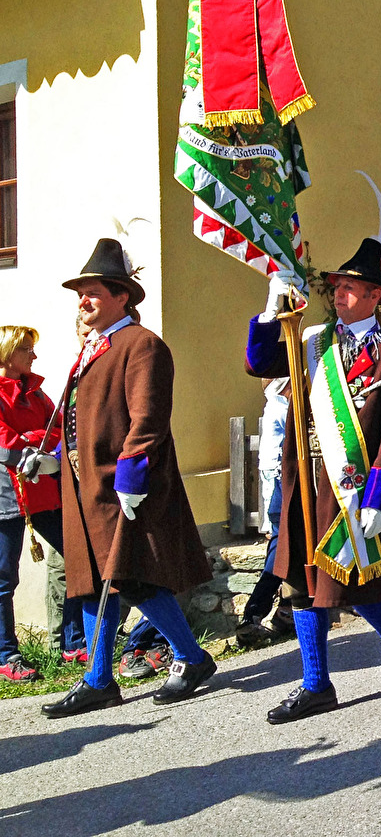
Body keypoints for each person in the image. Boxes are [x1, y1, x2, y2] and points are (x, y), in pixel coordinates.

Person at [245, 236, 381, 724]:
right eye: (337, 287)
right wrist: (269, 312)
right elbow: (259, 363)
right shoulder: (309, 340)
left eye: (350, 288)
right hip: (306, 475)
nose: (340, 294)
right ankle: (316, 683)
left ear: (375, 296)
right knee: (302, 582)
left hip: (350, 482)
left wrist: (380, 497)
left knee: (351, 581)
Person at [43, 238, 216, 718]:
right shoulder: (94, 348)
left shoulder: (142, 345)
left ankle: (190, 656)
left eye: (93, 290)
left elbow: (148, 419)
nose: (83, 300)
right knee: (91, 581)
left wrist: (132, 475)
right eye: (80, 292)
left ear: (122, 295)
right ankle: (100, 679)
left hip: (124, 487)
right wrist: (55, 457)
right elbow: (82, 416)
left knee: (131, 576)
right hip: (87, 486)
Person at [0, 325, 64, 682]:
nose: (34, 355)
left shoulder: (36, 393)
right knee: (3, 578)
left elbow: (59, 432)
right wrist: (35, 442)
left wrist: (33, 439)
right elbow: (5, 446)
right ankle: (6, 656)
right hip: (6, 494)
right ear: (8, 353)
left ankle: (72, 642)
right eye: (27, 349)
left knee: (76, 558)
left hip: (42, 491)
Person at [235, 378, 291, 646]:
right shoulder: (283, 408)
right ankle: (256, 613)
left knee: (284, 546)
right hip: (283, 478)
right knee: (282, 548)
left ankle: (283, 611)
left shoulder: (273, 404)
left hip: (276, 477)